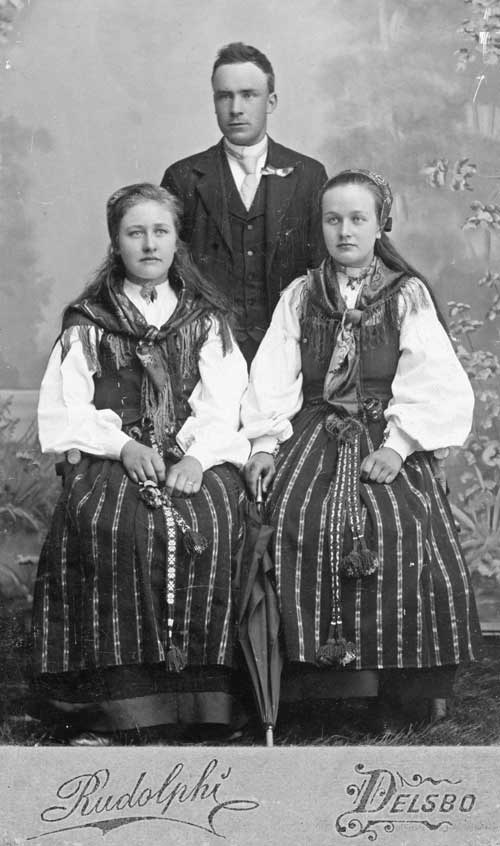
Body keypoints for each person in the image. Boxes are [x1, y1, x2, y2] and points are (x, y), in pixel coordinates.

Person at [242, 168, 482, 729]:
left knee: (400, 522)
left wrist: (399, 446)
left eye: (357, 219)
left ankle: (400, 688)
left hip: (386, 430)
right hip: (314, 427)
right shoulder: (302, 294)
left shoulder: (405, 294)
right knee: (296, 514)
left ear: (381, 225)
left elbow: (432, 379)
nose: (344, 231)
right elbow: (273, 375)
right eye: (333, 220)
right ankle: (313, 687)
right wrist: (265, 444)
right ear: (321, 226)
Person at [31, 183, 250, 745]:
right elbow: (66, 408)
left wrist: (197, 458)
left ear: (177, 241)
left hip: (192, 452)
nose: (149, 244)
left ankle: (204, 705)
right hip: (113, 454)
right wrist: (123, 448)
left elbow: (225, 404)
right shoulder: (89, 320)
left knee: (212, 519)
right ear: (116, 242)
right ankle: (117, 707)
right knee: (118, 525)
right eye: (136, 233)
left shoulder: (205, 320)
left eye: (160, 232)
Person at [161, 42, 328, 365]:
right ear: (214, 102)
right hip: (206, 355)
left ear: (271, 101)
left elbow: (322, 272)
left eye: (249, 95)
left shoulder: (308, 175)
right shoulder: (183, 178)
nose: (236, 108)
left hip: (290, 353)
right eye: (225, 96)